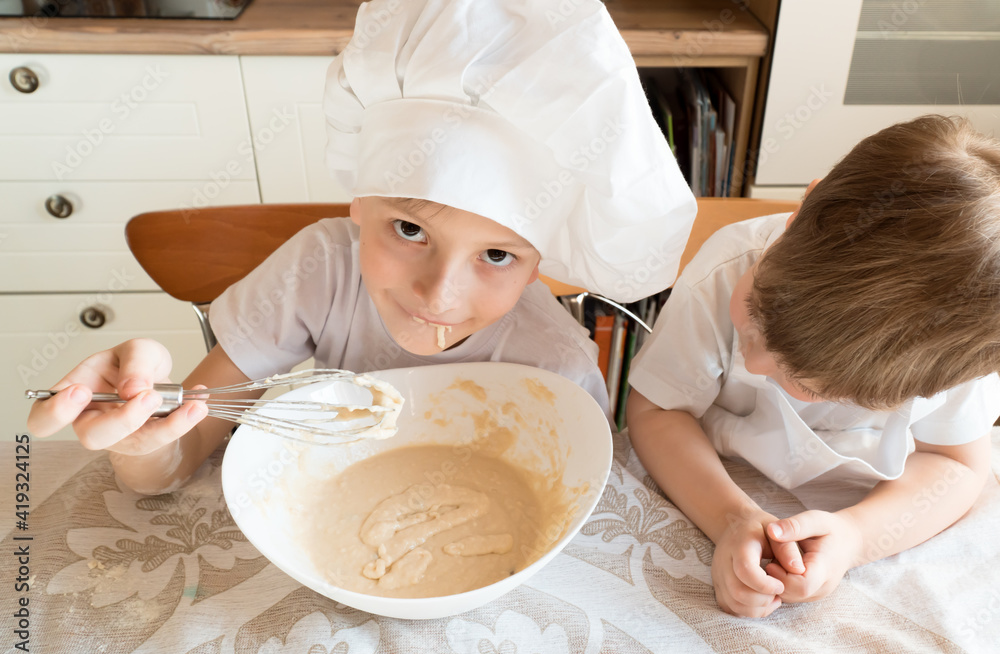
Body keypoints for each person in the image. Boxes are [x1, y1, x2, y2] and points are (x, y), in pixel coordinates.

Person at [27, 0, 696, 495]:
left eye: (497, 256)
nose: (439, 295)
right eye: (409, 230)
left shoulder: (557, 370)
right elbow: (181, 450)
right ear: (359, 200)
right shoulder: (319, 271)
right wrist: (144, 441)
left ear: (541, 261)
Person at [626, 114, 1000, 618]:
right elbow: (655, 410)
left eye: (801, 382)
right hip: (708, 475)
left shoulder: (948, 355)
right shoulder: (725, 269)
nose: (754, 362)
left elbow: (957, 464)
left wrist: (856, 537)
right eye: (755, 317)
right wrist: (731, 519)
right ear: (803, 207)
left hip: (876, 506)